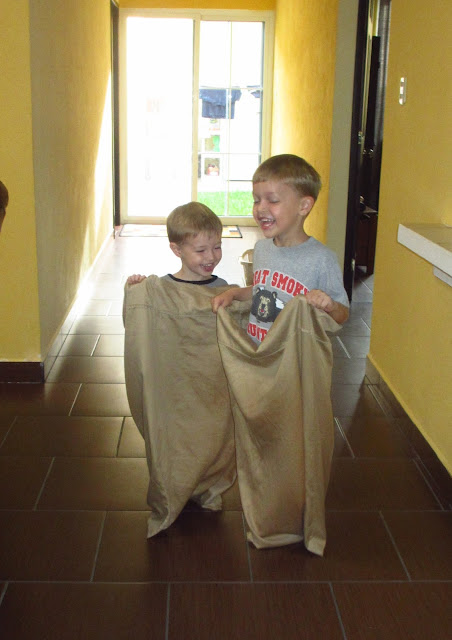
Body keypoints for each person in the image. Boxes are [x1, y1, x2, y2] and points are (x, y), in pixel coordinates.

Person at [211, 154, 349, 340]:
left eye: (273, 200)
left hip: (293, 354)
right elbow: (260, 290)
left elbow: (343, 315)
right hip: (258, 350)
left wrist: (329, 305)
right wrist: (234, 293)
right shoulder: (261, 249)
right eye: (256, 200)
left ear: (304, 206)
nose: (260, 208)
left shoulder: (322, 259)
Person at [127, 201, 227, 287]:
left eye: (217, 247)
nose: (211, 257)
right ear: (177, 250)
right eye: (201, 250)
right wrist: (139, 287)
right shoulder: (164, 287)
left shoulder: (222, 288)